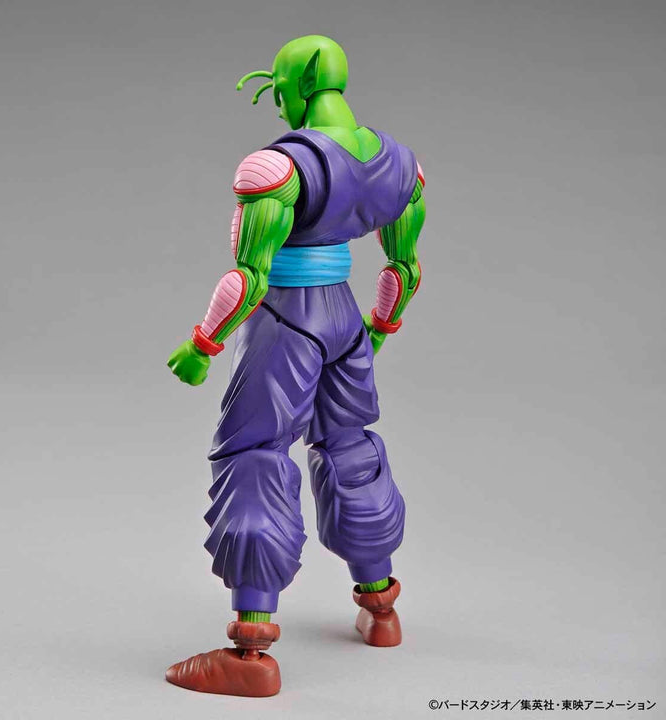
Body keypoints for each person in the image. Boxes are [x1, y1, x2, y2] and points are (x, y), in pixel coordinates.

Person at [166, 34, 426, 697]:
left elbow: (248, 277)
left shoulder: (278, 168)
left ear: (297, 86)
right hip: (344, 318)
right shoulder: (399, 166)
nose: (276, 102)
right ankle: (381, 607)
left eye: (277, 88)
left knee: (255, 453)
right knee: (350, 445)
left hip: (286, 319)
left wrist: (202, 345)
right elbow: (404, 268)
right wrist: (379, 329)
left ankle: (250, 651)